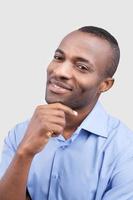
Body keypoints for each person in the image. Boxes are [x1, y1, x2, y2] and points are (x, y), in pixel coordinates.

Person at [0, 26, 133, 200]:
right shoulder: (20, 134)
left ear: (105, 85)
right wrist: (24, 153)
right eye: (58, 58)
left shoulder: (124, 149)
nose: (60, 71)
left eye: (82, 67)